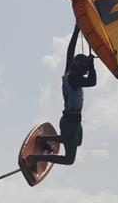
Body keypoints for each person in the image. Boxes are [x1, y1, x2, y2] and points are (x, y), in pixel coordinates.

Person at [27, 23, 97, 170]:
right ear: (80, 70)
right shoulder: (74, 79)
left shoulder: (70, 72)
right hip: (69, 122)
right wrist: (92, 66)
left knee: (76, 141)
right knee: (69, 159)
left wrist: (76, 31)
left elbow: (69, 51)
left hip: (71, 120)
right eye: (84, 71)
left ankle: (43, 139)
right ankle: (35, 158)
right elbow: (93, 81)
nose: (85, 73)